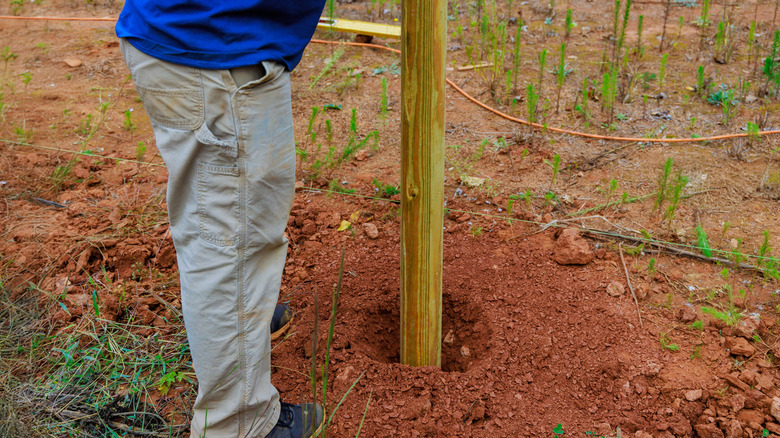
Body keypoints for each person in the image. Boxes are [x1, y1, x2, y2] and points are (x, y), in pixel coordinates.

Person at [115, 1, 327, 437]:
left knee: (220, 229)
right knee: (231, 248)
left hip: (192, 41)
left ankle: (239, 320)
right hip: (215, 60)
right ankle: (239, 426)